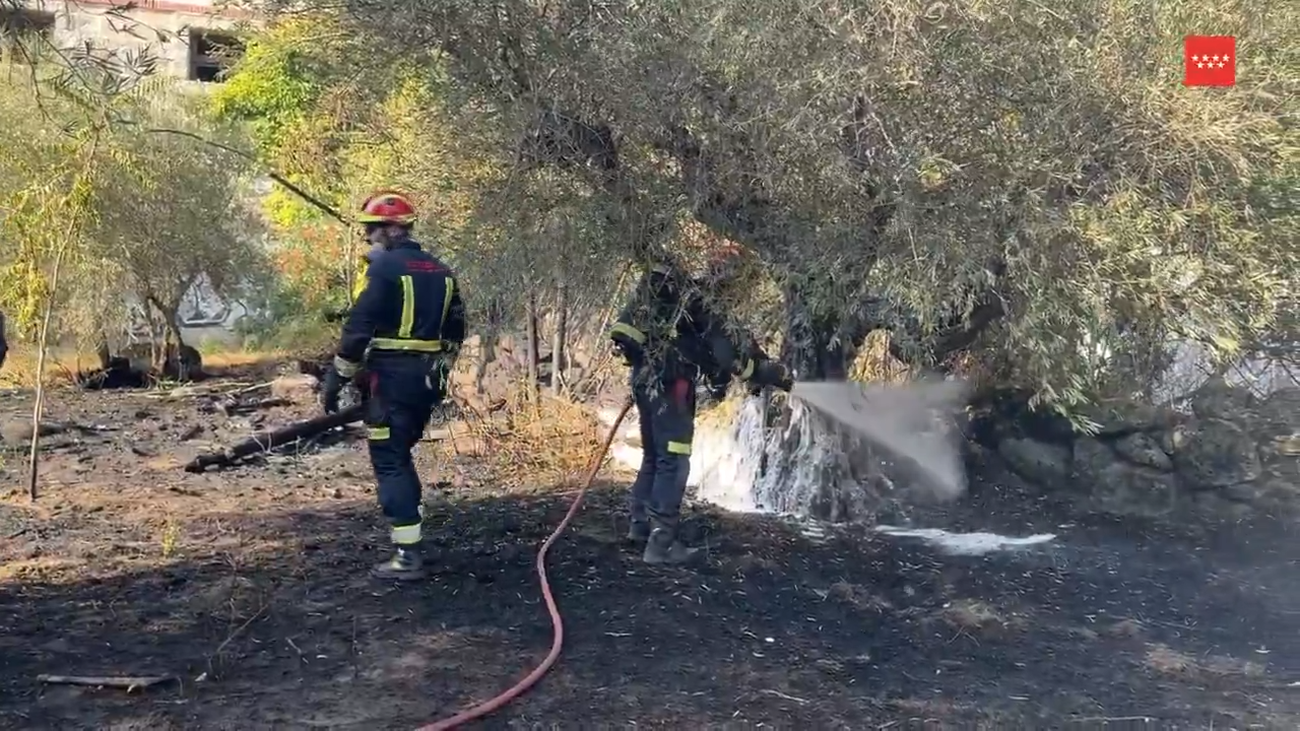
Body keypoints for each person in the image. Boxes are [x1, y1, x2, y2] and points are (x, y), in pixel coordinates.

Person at [608, 254, 792, 565]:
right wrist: (762, 374)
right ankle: (662, 543)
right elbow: (727, 356)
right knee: (675, 460)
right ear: (735, 282)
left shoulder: (683, 296)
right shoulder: (705, 302)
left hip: (644, 378)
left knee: (655, 455)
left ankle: (640, 528)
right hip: (672, 384)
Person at [321, 190, 468, 581]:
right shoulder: (442, 271)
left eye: (370, 231)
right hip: (426, 381)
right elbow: (456, 332)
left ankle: (407, 556)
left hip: (390, 379)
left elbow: (357, 329)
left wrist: (337, 377)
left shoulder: (384, 272)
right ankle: (413, 541)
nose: (367, 239)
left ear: (388, 230)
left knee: (389, 460)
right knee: (401, 454)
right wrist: (439, 372)